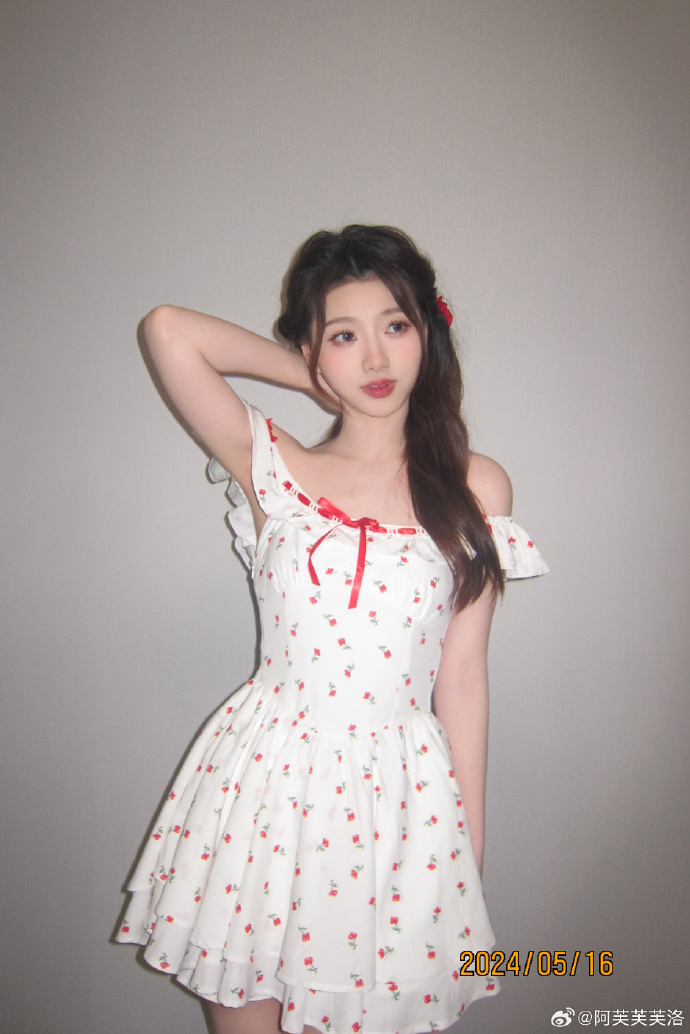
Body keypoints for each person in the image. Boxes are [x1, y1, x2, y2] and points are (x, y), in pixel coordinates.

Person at [116, 225, 548, 1034]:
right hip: (263, 792)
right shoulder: (274, 467)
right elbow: (169, 331)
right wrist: (314, 374)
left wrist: (466, 852)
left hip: (398, 804)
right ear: (312, 348)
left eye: (396, 325)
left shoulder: (476, 487)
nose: (376, 357)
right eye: (344, 335)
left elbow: (462, 680)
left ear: (428, 332)